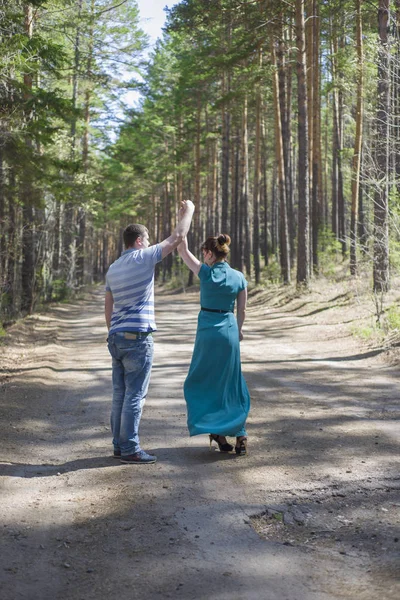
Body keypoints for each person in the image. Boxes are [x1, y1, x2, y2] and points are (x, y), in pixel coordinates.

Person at [105, 200, 195, 464]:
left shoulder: (112, 268)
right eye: (147, 239)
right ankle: (130, 448)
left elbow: (107, 308)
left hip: (117, 337)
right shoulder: (143, 257)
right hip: (138, 338)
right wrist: (187, 212)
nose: (149, 242)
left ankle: (118, 446)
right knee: (135, 395)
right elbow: (178, 237)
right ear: (140, 241)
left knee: (119, 394)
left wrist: (115, 334)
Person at [177, 233, 250, 456]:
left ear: (209, 253)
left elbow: (182, 250)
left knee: (202, 381)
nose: (203, 257)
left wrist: (183, 222)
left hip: (207, 333)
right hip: (228, 331)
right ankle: (240, 434)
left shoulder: (205, 273)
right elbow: (242, 311)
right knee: (232, 383)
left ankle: (216, 431)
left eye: (204, 253)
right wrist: (237, 330)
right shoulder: (239, 277)